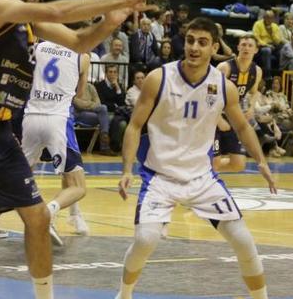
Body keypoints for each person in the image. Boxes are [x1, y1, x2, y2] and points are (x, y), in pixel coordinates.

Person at [0, 0, 166, 299]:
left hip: (1, 131)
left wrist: (110, 22)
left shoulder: (30, 25)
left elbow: (79, 43)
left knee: (39, 219)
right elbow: (59, 12)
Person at [118, 17, 276, 299]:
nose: (194, 47)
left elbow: (241, 126)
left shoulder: (222, 86)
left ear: (214, 47)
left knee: (243, 240)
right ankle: (125, 293)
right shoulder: (158, 78)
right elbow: (134, 126)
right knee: (145, 240)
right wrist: (127, 169)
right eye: (190, 40)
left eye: (202, 43)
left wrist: (262, 161)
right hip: (160, 176)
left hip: (202, 177)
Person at [0, 38, 93, 242]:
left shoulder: (39, 47)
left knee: (19, 174)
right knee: (76, 184)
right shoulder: (83, 56)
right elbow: (80, 93)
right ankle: (49, 213)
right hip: (58, 121)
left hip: (31, 117)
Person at [213, 34, 263, 173]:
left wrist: (251, 108)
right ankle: (199, 172)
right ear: (238, 47)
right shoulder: (225, 67)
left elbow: (255, 92)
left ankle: (202, 170)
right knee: (215, 162)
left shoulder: (256, 71)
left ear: (256, 50)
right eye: (243, 45)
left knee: (238, 164)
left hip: (233, 116)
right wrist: (218, 118)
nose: (246, 48)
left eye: (250, 45)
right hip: (213, 116)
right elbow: (209, 93)